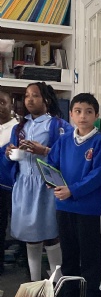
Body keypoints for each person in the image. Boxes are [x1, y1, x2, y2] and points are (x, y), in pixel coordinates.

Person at [48, 93, 101, 297]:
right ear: (71, 114)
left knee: (89, 257)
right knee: (69, 256)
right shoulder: (64, 140)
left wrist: (72, 190)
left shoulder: (100, 142)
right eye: (78, 111)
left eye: (88, 111)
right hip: (64, 206)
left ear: (96, 115)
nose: (83, 116)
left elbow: (97, 175)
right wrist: (51, 181)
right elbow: (51, 164)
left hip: (87, 209)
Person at [4, 82, 73, 282]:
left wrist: (44, 151)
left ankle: (57, 282)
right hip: (24, 184)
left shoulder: (58, 125)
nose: (29, 100)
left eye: (35, 95)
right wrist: (9, 153)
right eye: (27, 96)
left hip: (46, 185)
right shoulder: (19, 127)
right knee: (30, 235)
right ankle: (35, 283)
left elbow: (69, 155)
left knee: (51, 233)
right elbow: (11, 157)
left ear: (47, 100)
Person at [0, 88, 18, 274]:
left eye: (2, 102)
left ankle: (30, 271)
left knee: (22, 228)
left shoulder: (18, 129)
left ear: (11, 105)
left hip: (14, 187)